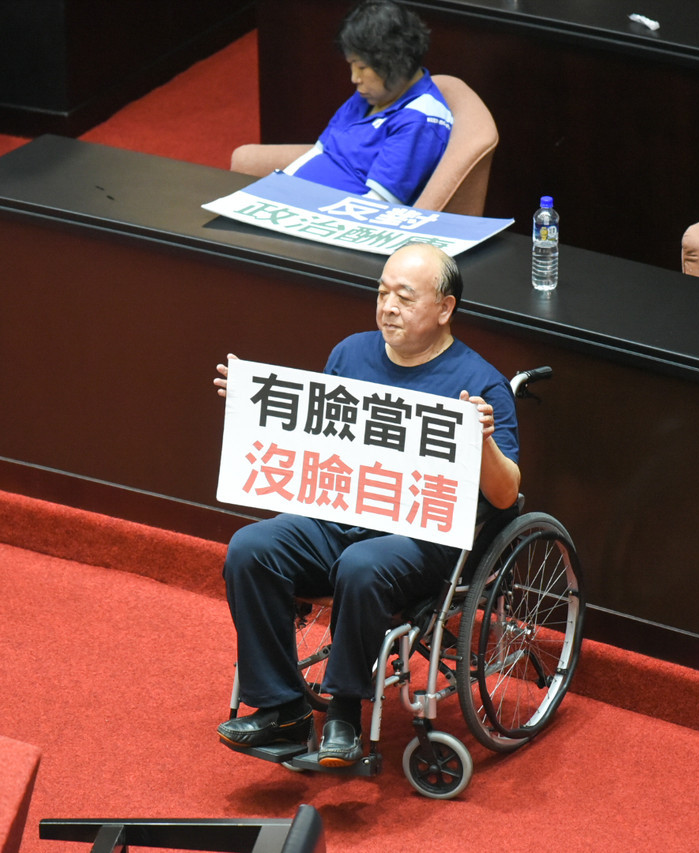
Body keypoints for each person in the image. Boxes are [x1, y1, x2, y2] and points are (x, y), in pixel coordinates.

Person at [213, 242, 520, 767]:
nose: (388, 307)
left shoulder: (480, 383)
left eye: (405, 296)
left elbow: (506, 494)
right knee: (250, 548)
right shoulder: (350, 354)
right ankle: (282, 708)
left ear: (445, 308)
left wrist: (483, 440)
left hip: (420, 537)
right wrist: (253, 402)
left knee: (360, 565)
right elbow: (312, 443)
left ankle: (344, 712)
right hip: (339, 517)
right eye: (381, 293)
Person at [283, 0, 452, 206]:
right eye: (351, 65)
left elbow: (375, 206)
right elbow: (319, 152)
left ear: (397, 61)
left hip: (327, 217)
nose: (354, 78)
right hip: (293, 202)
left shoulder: (419, 121)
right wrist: (278, 186)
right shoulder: (372, 95)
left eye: (362, 67)